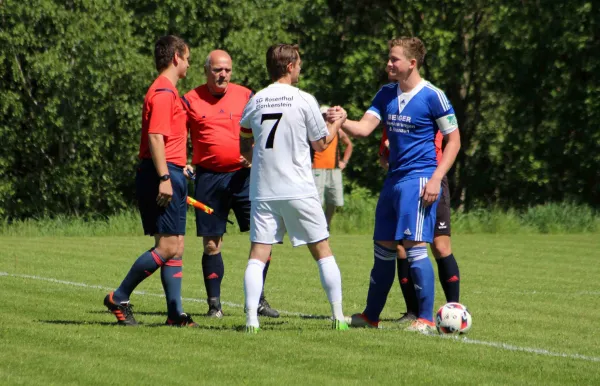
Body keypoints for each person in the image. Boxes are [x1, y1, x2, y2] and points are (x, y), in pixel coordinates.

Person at [328, 36, 461, 333]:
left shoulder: (433, 96)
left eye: (394, 59)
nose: (388, 63)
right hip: (394, 180)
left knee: (415, 248)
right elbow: (363, 129)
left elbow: (454, 140)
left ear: (412, 63)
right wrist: (343, 119)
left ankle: (425, 319)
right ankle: (371, 316)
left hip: (419, 178)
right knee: (383, 247)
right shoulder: (386, 93)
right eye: (389, 58)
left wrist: (437, 178)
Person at [239, 44, 349, 333]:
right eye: (298, 64)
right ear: (289, 67)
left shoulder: (257, 99)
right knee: (323, 251)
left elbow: (243, 140)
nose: (300, 69)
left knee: (257, 254)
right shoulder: (303, 99)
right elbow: (322, 143)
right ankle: (338, 317)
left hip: (264, 189)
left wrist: (257, 161)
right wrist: (337, 123)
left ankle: (251, 319)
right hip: (299, 188)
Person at [104, 35, 196, 327]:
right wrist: (165, 177)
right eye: (188, 57)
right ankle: (118, 297)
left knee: (176, 246)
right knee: (167, 247)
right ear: (176, 57)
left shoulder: (169, 91)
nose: (189, 63)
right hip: (161, 173)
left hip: (172, 170)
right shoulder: (163, 92)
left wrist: (180, 168)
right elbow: (156, 137)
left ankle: (174, 314)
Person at [182, 50, 279, 318]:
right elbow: (178, 134)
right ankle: (214, 305)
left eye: (227, 70)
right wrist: (183, 161)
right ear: (206, 71)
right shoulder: (190, 99)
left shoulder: (247, 95)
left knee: (264, 237)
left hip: (245, 178)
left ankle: (258, 300)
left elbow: (263, 129)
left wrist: (256, 154)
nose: (222, 74)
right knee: (212, 244)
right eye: (216, 70)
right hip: (208, 179)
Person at [379, 130, 461, 323]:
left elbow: (449, 142)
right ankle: (412, 312)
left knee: (440, 246)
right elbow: (384, 157)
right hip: (404, 184)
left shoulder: (429, 106)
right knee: (402, 246)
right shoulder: (392, 114)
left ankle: (455, 310)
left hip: (432, 180)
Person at [312, 105, 353, 228]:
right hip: (316, 169)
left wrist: (344, 162)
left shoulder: (337, 130)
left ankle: (326, 225)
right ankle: (318, 227)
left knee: (334, 201)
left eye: (327, 115)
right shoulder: (314, 130)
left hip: (334, 169)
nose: (325, 118)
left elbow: (349, 145)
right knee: (317, 201)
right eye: (323, 115)